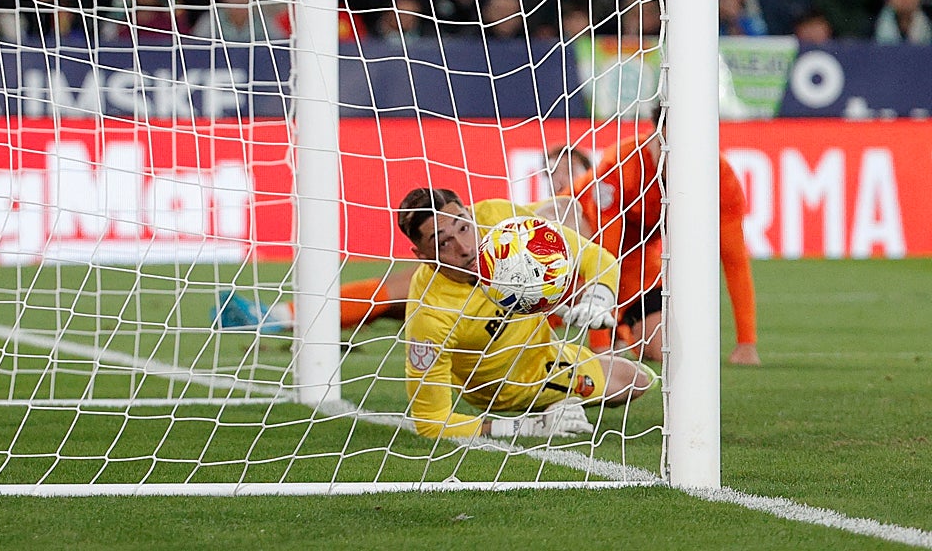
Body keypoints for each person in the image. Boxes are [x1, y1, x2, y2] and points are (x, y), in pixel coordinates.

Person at [212, 145, 594, 333]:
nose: (559, 179)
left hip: (540, 313)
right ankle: (285, 319)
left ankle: (281, 318)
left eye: (567, 170)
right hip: (487, 302)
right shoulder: (534, 212)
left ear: (588, 171)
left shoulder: (588, 210)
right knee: (394, 298)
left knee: (401, 292)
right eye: (552, 172)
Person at [398, 187, 652, 441]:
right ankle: (551, 405)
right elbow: (431, 422)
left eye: (464, 228)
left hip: (544, 347)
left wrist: (598, 298)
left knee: (640, 380)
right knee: (631, 380)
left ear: (470, 215)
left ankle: (562, 396)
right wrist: (524, 427)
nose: (465, 248)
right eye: (443, 243)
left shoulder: (496, 218)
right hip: (506, 386)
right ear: (424, 257)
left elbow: (595, 256)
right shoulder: (430, 314)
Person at [572, 124, 761, 366]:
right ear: (655, 138)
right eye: (667, 146)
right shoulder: (620, 164)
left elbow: (734, 259)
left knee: (665, 348)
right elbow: (603, 253)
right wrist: (600, 347)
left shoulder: (719, 176)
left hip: (637, 262)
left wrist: (746, 343)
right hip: (577, 250)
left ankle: (622, 330)